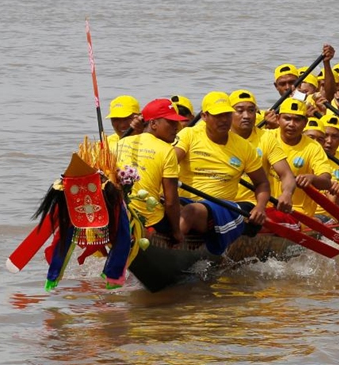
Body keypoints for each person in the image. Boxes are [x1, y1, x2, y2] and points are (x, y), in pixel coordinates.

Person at [174, 91, 270, 254]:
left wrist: (260, 207)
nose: (224, 120)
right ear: (204, 116)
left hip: (221, 207)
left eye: (227, 114)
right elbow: (169, 162)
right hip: (185, 200)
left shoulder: (243, 147)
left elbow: (262, 183)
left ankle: (172, 250)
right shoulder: (189, 135)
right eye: (218, 115)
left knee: (190, 212)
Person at [117, 98, 188, 244]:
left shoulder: (121, 142)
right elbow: (170, 201)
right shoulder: (167, 151)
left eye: (177, 122)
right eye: (171, 122)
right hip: (148, 217)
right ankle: (152, 233)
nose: (177, 127)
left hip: (120, 212)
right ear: (153, 123)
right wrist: (176, 231)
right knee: (184, 213)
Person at [229, 89, 295, 218]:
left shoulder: (266, 138)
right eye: (240, 110)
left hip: (251, 204)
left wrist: (287, 193)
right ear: (228, 114)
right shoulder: (219, 136)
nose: (247, 116)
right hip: (220, 199)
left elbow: (286, 174)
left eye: (251, 110)